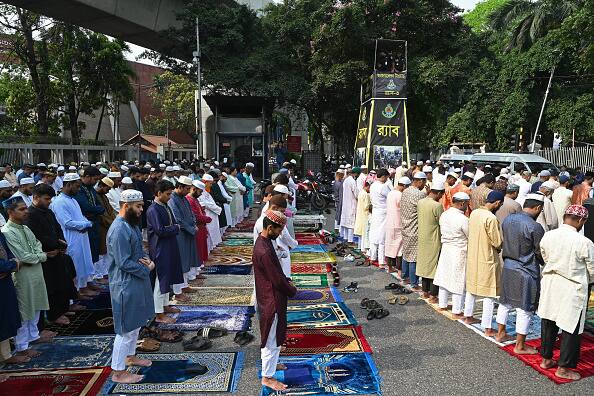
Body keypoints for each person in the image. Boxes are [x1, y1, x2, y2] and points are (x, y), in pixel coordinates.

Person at [538, 205, 594, 380]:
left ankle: (546, 359)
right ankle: (563, 368)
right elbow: (592, 270)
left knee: (549, 321)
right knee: (571, 327)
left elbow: (545, 256)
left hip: (551, 282)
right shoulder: (584, 242)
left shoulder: (548, 235)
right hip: (572, 287)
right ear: (580, 221)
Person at [107, 189, 156, 384]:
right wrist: (147, 269)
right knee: (125, 329)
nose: (141, 210)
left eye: (142, 206)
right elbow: (123, 262)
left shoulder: (131, 224)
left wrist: (147, 261)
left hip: (136, 280)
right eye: (138, 206)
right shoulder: (119, 229)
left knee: (135, 324)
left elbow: (138, 251)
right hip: (125, 283)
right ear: (126, 206)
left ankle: (130, 356)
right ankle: (118, 372)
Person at [2, 196, 54, 359]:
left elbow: (37, 244)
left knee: (36, 304)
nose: (26, 212)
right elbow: (22, 256)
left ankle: (33, 336)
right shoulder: (7, 232)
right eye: (22, 209)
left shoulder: (25, 228)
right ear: (10, 212)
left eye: (26, 208)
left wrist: (39, 255)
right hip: (22, 276)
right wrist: (42, 256)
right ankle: (22, 346)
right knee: (24, 310)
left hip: (35, 272)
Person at [253, 210, 297, 392]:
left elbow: (276, 273)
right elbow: (276, 280)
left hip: (269, 296)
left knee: (274, 335)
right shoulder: (263, 250)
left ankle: (271, 366)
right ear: (270, 227)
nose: (280, 234)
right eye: (279, 230)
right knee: (271, 338)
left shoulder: (265, 242)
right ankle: (267, 377)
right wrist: (291, 289)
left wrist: (285, 280)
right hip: (271, 299)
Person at [495, 193, 545, 349]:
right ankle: (520, 345)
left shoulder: (508, 219)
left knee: (505, 301)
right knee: (526, 307)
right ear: (538, 208)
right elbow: (539, 251)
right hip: (526, 269)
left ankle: (500, 333)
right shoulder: (535, 226)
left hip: (509, 265)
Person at [26, 184, 77, 326]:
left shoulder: (48, 212)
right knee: (51, 286)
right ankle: (54, 315)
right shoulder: (30, 215)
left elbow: (58, 228)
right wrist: (55, 243)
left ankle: (63, 309)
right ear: (36, 197)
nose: (49, 201)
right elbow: (37, 237)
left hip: (57, 253)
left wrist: (62, 242)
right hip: (45, 256)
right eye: (47, 198)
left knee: (62, 281)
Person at [464, 190, 504, 332]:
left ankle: (468, 315)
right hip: (487, 257)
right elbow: (497, 241)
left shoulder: (474, 213)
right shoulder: (491, 218)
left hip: (474, 255)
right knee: (490, 291)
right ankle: (487, 327)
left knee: (472, 287)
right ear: (497, 203)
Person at [50, 173, 96, 296]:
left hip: (81, 236)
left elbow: (81, 217)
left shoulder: (73, 200)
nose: (78, 189)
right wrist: (86, 225)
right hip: (71, 237)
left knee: (84, 261)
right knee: (75, 264)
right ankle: (76, 291)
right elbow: (67, 222)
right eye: (77, 186)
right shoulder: (59, 202)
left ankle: (83, 286)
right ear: (68, 185)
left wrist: (87, 223)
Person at [147, 180, 185, 322]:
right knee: (160, 279)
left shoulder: (165, 205)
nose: (170, 197)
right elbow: (160, 230)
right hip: (160, 249)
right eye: (168, 194)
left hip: (169, 246)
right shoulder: (153, 209)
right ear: (159, 193)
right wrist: (175, 228)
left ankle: (164, 305)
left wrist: (175, 227)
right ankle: (159, 314)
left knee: (167, 277)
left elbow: (173, 223)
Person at [434, 192, 471, 318]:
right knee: (458, 280)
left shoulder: (444, 214)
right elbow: (469, 235)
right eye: (467, 204)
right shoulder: (463, 219)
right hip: (459, 250)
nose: (467, 206)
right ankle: (456, 309)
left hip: (446, 248)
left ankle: (442, 303)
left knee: (444, 277)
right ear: (462, 203)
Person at [168, 176, 200, 292]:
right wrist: (191, 228)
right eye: (187, 189)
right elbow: (178, 219)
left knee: (187, 259)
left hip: (188, 233)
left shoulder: (184, 198)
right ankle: (177, 290)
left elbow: (191, 213)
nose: (188, 191)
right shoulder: (172, 199)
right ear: (180, 187)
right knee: (181, 261)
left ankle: (184, 285)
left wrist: (194, 224)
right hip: (180, 234)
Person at [416, 179, 445, 302]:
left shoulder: (421, 202)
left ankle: (425, 292)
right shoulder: (437, 205)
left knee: (424, 266)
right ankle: (433, 295)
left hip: (422, 237)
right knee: (434, 268)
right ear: (438, 193)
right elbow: (442, 222)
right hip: (434, 239)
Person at [0, 230, 25, 364]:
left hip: (4, 282)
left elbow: (10, 256)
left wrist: (10, 266)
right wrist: (10, 265)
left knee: (5, 318)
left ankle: (6, 355)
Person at [400, 172, 427, 290]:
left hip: (405, 225)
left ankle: (404, 276)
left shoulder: (405, 191)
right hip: (414, 227)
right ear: (420, 181)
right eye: (424, 182)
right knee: (413, 257)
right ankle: (413, 282)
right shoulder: (419, 194)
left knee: (406, 253)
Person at [74, 166, 105, 268]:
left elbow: (97, 204)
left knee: (95, 249)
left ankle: (91, 278)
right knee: (87, 251)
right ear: (87, 176)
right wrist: (97, 209)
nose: (96, 182)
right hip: (85, 223)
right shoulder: (79, 188)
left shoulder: (91, 188)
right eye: (95, 179)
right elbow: (86, 206)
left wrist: (97, 209)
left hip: (94, 222)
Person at [385, 176, 411, 277]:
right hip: (398, 223)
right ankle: (400, 271)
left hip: (389, 222)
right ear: (404, 186)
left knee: (390, 245)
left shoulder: (391, 193)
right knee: (400, 248)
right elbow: (402, 207)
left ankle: (390, 267)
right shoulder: (400, 195)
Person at [368, 169, 392, 269]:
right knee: (382, 236)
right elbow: (390, 196)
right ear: (383, 176)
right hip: (383, 211)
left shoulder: (373, 185)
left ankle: (373, 256)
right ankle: (381, 261)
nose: (387, 179)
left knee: (374, 234)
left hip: (376, 211)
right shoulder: (382, 187)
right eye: (386, 177)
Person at [95, 177, 117, 282]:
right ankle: (99, 275)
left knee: (106, 250)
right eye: (107, 189)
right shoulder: (95, 196)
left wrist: (114, 221)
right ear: (101, 186)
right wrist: (111, 223)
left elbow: (110, 210)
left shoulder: (103, 196)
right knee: (100, 251)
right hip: (101, 226)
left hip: (108, 226)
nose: (108, 191)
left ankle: (105, 272)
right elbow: (101, 214)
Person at [187, 180, 212, 264]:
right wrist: (206, 218)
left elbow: (201, 211)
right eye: (200, 191)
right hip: (196, 228)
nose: (201, 194)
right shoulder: (189, 200)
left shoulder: (195, 199)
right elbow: (195, 216)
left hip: (201, 228)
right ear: (194, 189)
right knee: (198, 250)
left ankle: (199, 268)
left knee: (201, 249)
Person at [199, 174, 222, 252]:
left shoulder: (206, 191)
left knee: (211, 234)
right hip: (207, 215)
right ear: (205, 182)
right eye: (210, 183)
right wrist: (218, 209)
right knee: (208, 234)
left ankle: (210, 249)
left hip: (212, 215)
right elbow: (207, 204)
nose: (211, 185)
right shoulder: (201, 192)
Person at [340, 167, 360, 243]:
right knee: (351, 223)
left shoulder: (346, 180)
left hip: (346, 203)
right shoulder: (352, 181)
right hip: (351, 203)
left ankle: (345, 237)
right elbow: (356, 193)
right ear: (355, 174)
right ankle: (350, 240)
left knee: (345, 222)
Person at [353, 181, 371, 254]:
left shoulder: (360, 192)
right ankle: (363, 249)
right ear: (367, 186)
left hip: (360, 213)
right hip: (365, 214)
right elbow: (366, 206)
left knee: (361, 233)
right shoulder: (366, 194)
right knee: (364, 233)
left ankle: (360, 246)